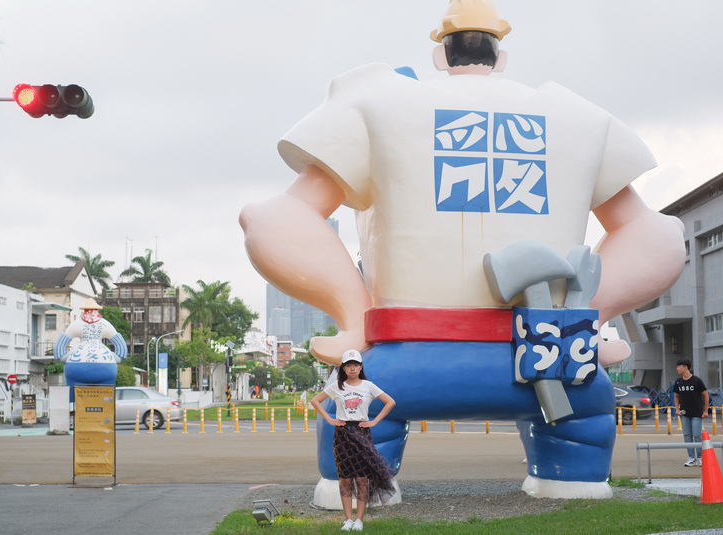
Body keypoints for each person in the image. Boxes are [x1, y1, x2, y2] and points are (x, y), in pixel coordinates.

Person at [240, 0, 685, 500]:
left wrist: (354, 314)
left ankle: (361, 488)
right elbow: (659, 237)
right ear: (502, 55)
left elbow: (274, 221)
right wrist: (581, 322)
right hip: (555, 364)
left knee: (358, 448)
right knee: (579, 444)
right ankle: (573, 480)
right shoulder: (579, 117)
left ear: (440, 54)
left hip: (400, 363)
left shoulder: (375, 103)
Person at [311, 349, 396, 532]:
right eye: (348, 365)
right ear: (343, 368)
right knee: (345, 479)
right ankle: (348, 519)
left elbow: (390, 402)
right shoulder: (337, 386)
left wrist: (374, 421)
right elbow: (316, 401)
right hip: (342, 434)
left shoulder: (368, 386)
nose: (352, 368)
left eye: (355, 365)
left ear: (360, 367)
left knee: (362, 479)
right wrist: (330, 419)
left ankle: (359, 520)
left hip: (362, 433)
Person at [674, 358, 709, 467]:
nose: (677, 368)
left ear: (685, 367)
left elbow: (705, 395)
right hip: (684, 414)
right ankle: (691, 458)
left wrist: (706, 411)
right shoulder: (678, 382)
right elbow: (676, 396)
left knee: (697, 435)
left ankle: (700, 457)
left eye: (679, 366)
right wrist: (677, 409)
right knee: (687, 435)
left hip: (696, 413)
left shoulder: (696, 381)